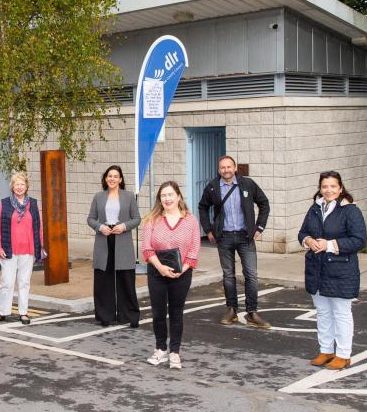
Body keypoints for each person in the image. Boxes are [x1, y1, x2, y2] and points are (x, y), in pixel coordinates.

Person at [298, 171, 366, 371]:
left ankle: (343, 355)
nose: (328, 190)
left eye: (332, 186)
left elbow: (359, 240)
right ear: (320, 188)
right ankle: (326, 350)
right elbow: (303, 232)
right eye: (324, 186)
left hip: (341, 271)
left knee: (341, 313)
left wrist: (329, 245)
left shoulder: (350, 211)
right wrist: (308, 240)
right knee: (323, 313)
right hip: (317, 269)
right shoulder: (315, 208)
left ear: (340, 188)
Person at [198, 155, 271, 328]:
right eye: (222, 167)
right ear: (219, 170)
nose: (226, 170)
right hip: (224, 237)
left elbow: (264, 203)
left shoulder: (248, 184)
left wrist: (259, 227)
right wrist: (208, 230)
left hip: (246, 237)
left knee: (251, 275)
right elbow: (202, 207)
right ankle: (232, 310)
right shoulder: (213, 187)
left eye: (229, 167)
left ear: (235, 168)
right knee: (228, 275)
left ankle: (252, 312)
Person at [142, 181, 200, 370]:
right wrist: (160, 268)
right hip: (157, 272)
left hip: (181, 273)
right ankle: (160, 349)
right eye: (163, 195)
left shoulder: (190, 220)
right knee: (158, 312)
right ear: (160, 199)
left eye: (170, 195)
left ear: (178, 196)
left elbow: (194, 249)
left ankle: (175, 352)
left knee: (176, 313)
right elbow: (146, 248)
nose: (167, 199)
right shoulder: (152, 219)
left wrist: (181, 269)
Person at [86, 165, 141, 328]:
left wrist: (124, 226)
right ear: (105, 178)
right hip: (104, 240)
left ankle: (130, 316)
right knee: (104, 280)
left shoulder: (129, 196)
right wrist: (100, 227)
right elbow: (90, 218)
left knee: (126, 280)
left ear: (121, 179)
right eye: (109, 176)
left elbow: (137, 218)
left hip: (122, 240)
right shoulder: (98, 197)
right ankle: (105, 316)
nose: (112, 179)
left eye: (115, 176)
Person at [0, 172, 43, 325]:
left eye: (22, 184)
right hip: (8, 249)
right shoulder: (4, 203)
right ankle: (3, 312)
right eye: (16, 184)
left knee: (24, 282)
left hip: (28, 250)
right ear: (12, 187)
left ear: (26, 186)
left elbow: (38, 227)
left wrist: (39, 247)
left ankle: (23, 312)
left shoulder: (32, 203)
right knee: (6, 282)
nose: (19, 187)